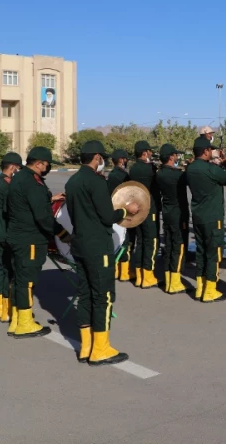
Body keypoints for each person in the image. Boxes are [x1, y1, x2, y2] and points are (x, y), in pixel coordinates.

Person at [65, 141, 139, 365]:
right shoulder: (95, 182)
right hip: (98, 246)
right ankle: (101, 349)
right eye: (102, 158)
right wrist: (127, 210)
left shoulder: (73, 181)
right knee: (103, 296)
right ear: (96, 158)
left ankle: (86, 347)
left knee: (85, 294)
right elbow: (108, 216)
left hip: (79, 244)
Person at [6, 146, 68, 338]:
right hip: (30, 239)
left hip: (18, 236)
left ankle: (17, 319)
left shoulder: (20, 177)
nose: (47, 168)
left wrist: (49, 197)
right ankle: (25, 324)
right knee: (27, 281)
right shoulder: (33, 183)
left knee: (19, 279)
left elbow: (27, 203)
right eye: (47, 164)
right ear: (39, 163)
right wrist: (63, 234)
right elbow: (42, 217)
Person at [185, 136, 226, 302]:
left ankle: (200, 287)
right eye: (210, 150)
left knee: (201, 251)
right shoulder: (210, 168)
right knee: (213, 252)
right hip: (212, 216)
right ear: (205, 151)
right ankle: (210, 290)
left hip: (198, 215)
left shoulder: (191, 168)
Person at [0, 152, 22, 323]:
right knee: (10, 270)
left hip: (1, 231)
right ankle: (7, 309)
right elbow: (10, 209)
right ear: (13, 167)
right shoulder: (3, 185)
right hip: (7, 232)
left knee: (4, 268)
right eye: (18, 168)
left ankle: (1, 309)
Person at [157, 144, 190, 294]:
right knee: (179, 246)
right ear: (171, 157)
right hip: (178, 214)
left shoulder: (159, 174)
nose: (177, 157)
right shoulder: (178, 175)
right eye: (176, 155)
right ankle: (175, 282)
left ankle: (168, 279)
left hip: (167, 212)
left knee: (169, 245)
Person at [129, 141, 161, 289]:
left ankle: (139, 275)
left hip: (138, 207)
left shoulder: (133, 168)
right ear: (144, 153)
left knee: (141, 240)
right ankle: (148, 275)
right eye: (149, 151)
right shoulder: (149, 169)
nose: (151, 154)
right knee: (151, 241)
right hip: (149, 207)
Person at [107, 149, 133, 281]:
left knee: (116, 240)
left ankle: (116, 271)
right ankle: (124, 273)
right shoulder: (122, 175)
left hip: (113, 210)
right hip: (123, 209)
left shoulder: (111, 174)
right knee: (125, 241)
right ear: (122, 160)